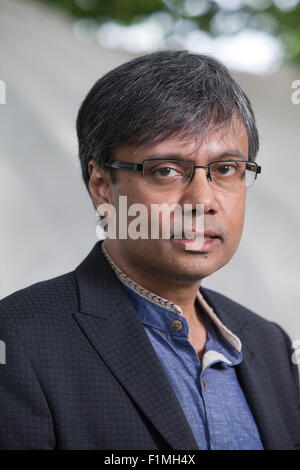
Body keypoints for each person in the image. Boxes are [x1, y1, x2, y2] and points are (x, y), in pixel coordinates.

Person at [0, 50, 299, 450]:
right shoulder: (19, 340)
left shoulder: (271, 345)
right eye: (166, 171)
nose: (202, 200)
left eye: (226, 169)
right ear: (103, 187)